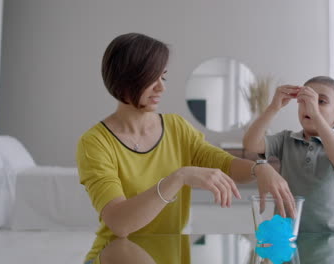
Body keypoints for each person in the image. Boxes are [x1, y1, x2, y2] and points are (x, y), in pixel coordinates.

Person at [76, 33, 295, 264]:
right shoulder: (95, 143)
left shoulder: (176, 128)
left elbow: (222, 162)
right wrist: (179, 177)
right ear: (125, 78)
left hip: (170, 256)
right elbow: (120, 224)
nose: (161, 87)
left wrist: (259, 168)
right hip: (114, 255)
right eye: (152, 77)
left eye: (163, 77)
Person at [243, 76, 334, 233]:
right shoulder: (286, 140)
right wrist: (274, 107)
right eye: (305, 100)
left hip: (326, 234)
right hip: (286, 232)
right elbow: (251, 144)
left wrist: (316, 114)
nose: (310, 106)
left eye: (320, 101)